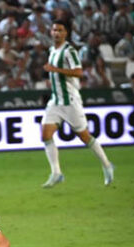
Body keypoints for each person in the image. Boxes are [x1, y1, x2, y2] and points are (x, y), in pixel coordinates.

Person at [41, 19, 114, 188]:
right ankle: (56, 173)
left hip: (71, 101)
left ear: (66, 33)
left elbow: (79, 72)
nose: (56, 33)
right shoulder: (52, 50)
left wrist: (56, 70)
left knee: (85, 137)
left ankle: (107, 166)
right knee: (45, 134)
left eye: (60, 30)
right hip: (56, 101)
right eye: (54, 30)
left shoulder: (69, 51)